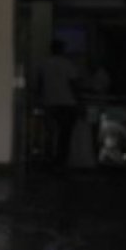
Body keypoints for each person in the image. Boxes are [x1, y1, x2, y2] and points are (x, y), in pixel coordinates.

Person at [36, 39, 82, 168]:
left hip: (49, 102)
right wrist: (79, 102)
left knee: (49, 133)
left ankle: (47, 159)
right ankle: (61, 161)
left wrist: (39, 99)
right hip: (67, 103)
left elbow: (40, 84)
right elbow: (73, 85)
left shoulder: (43, 64)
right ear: (62, 50)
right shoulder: (68, 64)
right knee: (64, 135)